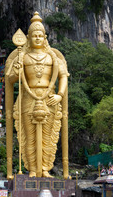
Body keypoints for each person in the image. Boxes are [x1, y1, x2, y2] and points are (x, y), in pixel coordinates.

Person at [5, 12, 69, 179]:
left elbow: (63, 76)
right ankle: (32, 169)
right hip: (28, 98)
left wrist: (60, 95)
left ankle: (45, 168)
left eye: (41, 35)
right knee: (29, 136)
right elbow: (10, 79)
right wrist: (17, 70)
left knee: (47, 137)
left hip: (50, 99)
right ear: (29, 37)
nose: (38, 38)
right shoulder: (23, 56)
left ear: (45, 37)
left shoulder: (53, 57)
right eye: (35, 36)